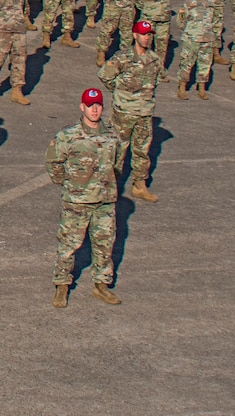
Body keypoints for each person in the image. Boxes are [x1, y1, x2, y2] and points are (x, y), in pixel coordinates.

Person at [46, 88, 126, 307]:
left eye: (98, 105)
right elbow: (53, 162)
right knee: (68, 244)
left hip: (104, 201)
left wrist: (106, 185)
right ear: (82, 107)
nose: (94, 109)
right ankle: (61, 285)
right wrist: (69, 184)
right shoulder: (68, 135)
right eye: (90, 105)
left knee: (104, 244)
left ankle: (102, 285)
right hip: (77, 201)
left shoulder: (112, 135)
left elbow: (117, 165)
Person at [100, 21, 167, 203]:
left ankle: (139, 185)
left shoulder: (154, 59)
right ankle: (110, 188)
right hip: (124, 112)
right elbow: (105, 75)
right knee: (117, 150)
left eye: (149, 34)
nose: (147, 37)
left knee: (142, 151)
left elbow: (158, 80)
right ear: (135, 35)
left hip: (144, 113)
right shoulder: (123, 57)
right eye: (143, 34)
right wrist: (120, 93)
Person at [172, 0, 218, 99]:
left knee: (205, 64)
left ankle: (201, 88)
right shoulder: (189, 3)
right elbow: (181, 21)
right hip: (191, 39)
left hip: (207, 39)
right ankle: (182, 88)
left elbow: (215, 20)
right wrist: (189, 33)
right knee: (186, 63)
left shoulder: (211, 4)